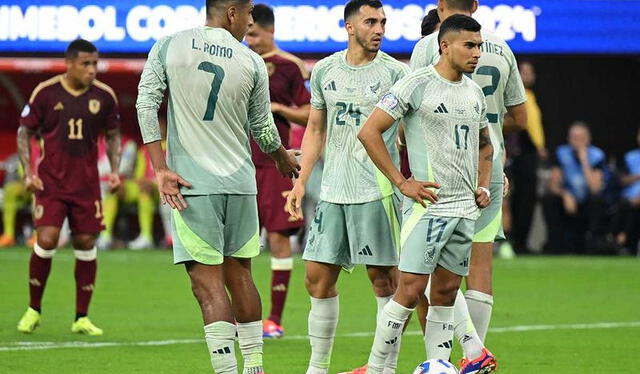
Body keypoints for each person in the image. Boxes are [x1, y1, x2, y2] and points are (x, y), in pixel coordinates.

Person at [136, 0, 299, 372]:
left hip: (195, 183)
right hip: (242, 184)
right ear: (231, 13)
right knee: (240, 275)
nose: (250, 23)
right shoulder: (251, 61)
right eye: (248, 15)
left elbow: (146, 105)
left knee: (207, 285)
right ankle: (255, 366)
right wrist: (280, 158)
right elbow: (262, 127)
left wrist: (159, 168)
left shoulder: (170, 45)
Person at [359, 14, 494, 374]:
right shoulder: (415, 84)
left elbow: (486, 147)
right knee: (410, 290)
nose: (477, 53)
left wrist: (483, 184)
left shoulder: (474, 91)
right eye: (470, 45)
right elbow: (369, 132)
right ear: (445, 45)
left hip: (465, 211)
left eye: (479, 46)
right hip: (428, 209)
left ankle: (437, 366)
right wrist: (402, 182)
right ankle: (376, 369)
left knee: (446, 293)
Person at [285, 1, 410, 373]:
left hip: (377, 191)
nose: (379, 28)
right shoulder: (324, 70)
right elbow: (316, 129)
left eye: (383, 22)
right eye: (370, 21)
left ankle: (384, 368)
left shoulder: (395, 73)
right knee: (316, 279)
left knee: (384, 280)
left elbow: (407, 130)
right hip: (333, 191)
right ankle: (318, 368)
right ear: (349, 27)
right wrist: (301, 181)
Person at [410, 0, 527, 357]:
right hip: (487, 166)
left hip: (441, 169)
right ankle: (471, 357)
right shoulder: (502, 47)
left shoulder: (431, 45)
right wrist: (486, 129)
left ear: (439, 4)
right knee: (480, 263)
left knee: (427, 265)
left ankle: (448, 357)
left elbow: (410, 107)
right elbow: (520, 118)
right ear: (476, 4)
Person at [16, 39, 122, 336]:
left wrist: (114, 172)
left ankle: (81, 317)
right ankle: (33, 309)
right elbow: (24, 132)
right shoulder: (46, 93)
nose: (92, 70)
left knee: (86, 243)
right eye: (86, 64)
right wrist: (28, 173)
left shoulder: (104, 96)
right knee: (47, 239)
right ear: (69, 64)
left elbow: (113, 135)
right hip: (51, 182)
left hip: (87, 185)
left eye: (95, 63)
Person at [245, 3, 311, 338]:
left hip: (275, 164)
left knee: (278, 238)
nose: (250, 39)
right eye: (247, 33)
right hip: (240, 162)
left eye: (255, 33)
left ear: (270, 31)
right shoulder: (240, 62)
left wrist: (279, 108)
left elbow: (312, 114)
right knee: (237, 242)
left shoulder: (289, 66)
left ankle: (274, 320)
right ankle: (242, 317)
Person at [544, 121, 608, 254]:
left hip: (587, 200)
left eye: (581, 138)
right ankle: (555, 246)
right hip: (568, 199)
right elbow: (552, 186)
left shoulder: (597, 155)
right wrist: (565, 194)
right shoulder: (561, 153)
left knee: (597, 200)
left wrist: (584, 160)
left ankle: (592, 245)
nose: (577, 141)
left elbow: (595, 188)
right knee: (549, 199)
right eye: (574, 137)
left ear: (588, 139)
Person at [506, 60, 547, 254]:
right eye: (523, 72)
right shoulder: (518, 97)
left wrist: (540, 146)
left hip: (530, 153)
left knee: (527, 198)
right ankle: (517, 242)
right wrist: (537, 146)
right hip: (522, 154)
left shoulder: (531, 96)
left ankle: (522, 241)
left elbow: (535, 126)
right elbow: (524, 125)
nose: (527, 76)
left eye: (530, 72)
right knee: (521, 198)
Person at [610, 127, 640, 253]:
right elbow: (621, 181)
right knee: (625, 204)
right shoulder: (630, 157)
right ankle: (615, 240)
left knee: (633, 206)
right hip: (627, 200)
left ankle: (621, 239)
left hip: (635, 202)